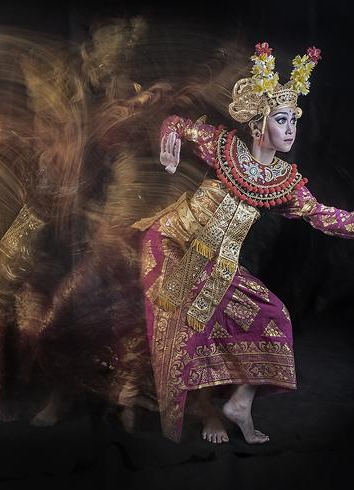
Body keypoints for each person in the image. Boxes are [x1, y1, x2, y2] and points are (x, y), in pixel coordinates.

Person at [133, 42, 354, 444]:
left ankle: (238, 404)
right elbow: (176, 123)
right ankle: (203, 410)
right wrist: (169, 148)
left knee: (275, 317)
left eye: (294, 121)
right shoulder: (223, 147)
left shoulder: (285, 182)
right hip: (172, 245)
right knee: (187, 334)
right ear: (257, 126)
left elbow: (323, 215)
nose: (291, 129)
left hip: (218, 267)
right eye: (282, 120)